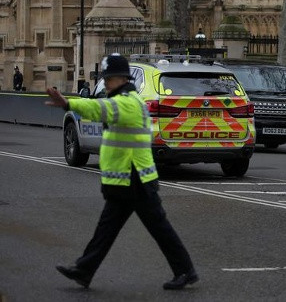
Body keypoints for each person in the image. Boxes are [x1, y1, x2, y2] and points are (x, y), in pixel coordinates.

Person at [45, 53, 198, 290]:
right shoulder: (124, 98)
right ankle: (84, 270)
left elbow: (100, 109)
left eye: (109, 78)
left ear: (122, 78)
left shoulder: (127, 102)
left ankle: (186, 270)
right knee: (107, 229)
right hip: (125, 179)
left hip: (136, 179)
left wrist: (68, 103)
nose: (105, 82)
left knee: (158, 228)